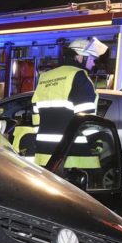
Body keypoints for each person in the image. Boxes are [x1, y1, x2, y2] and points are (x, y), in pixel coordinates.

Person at [32, 37, 108, 167]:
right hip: (73, 156)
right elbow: (85, 117)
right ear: (79, 57)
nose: (93, 64)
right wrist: (96, 143)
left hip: (44, 154)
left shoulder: (45, 77)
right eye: (91, 59)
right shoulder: (79, 76)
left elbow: (36, 116)